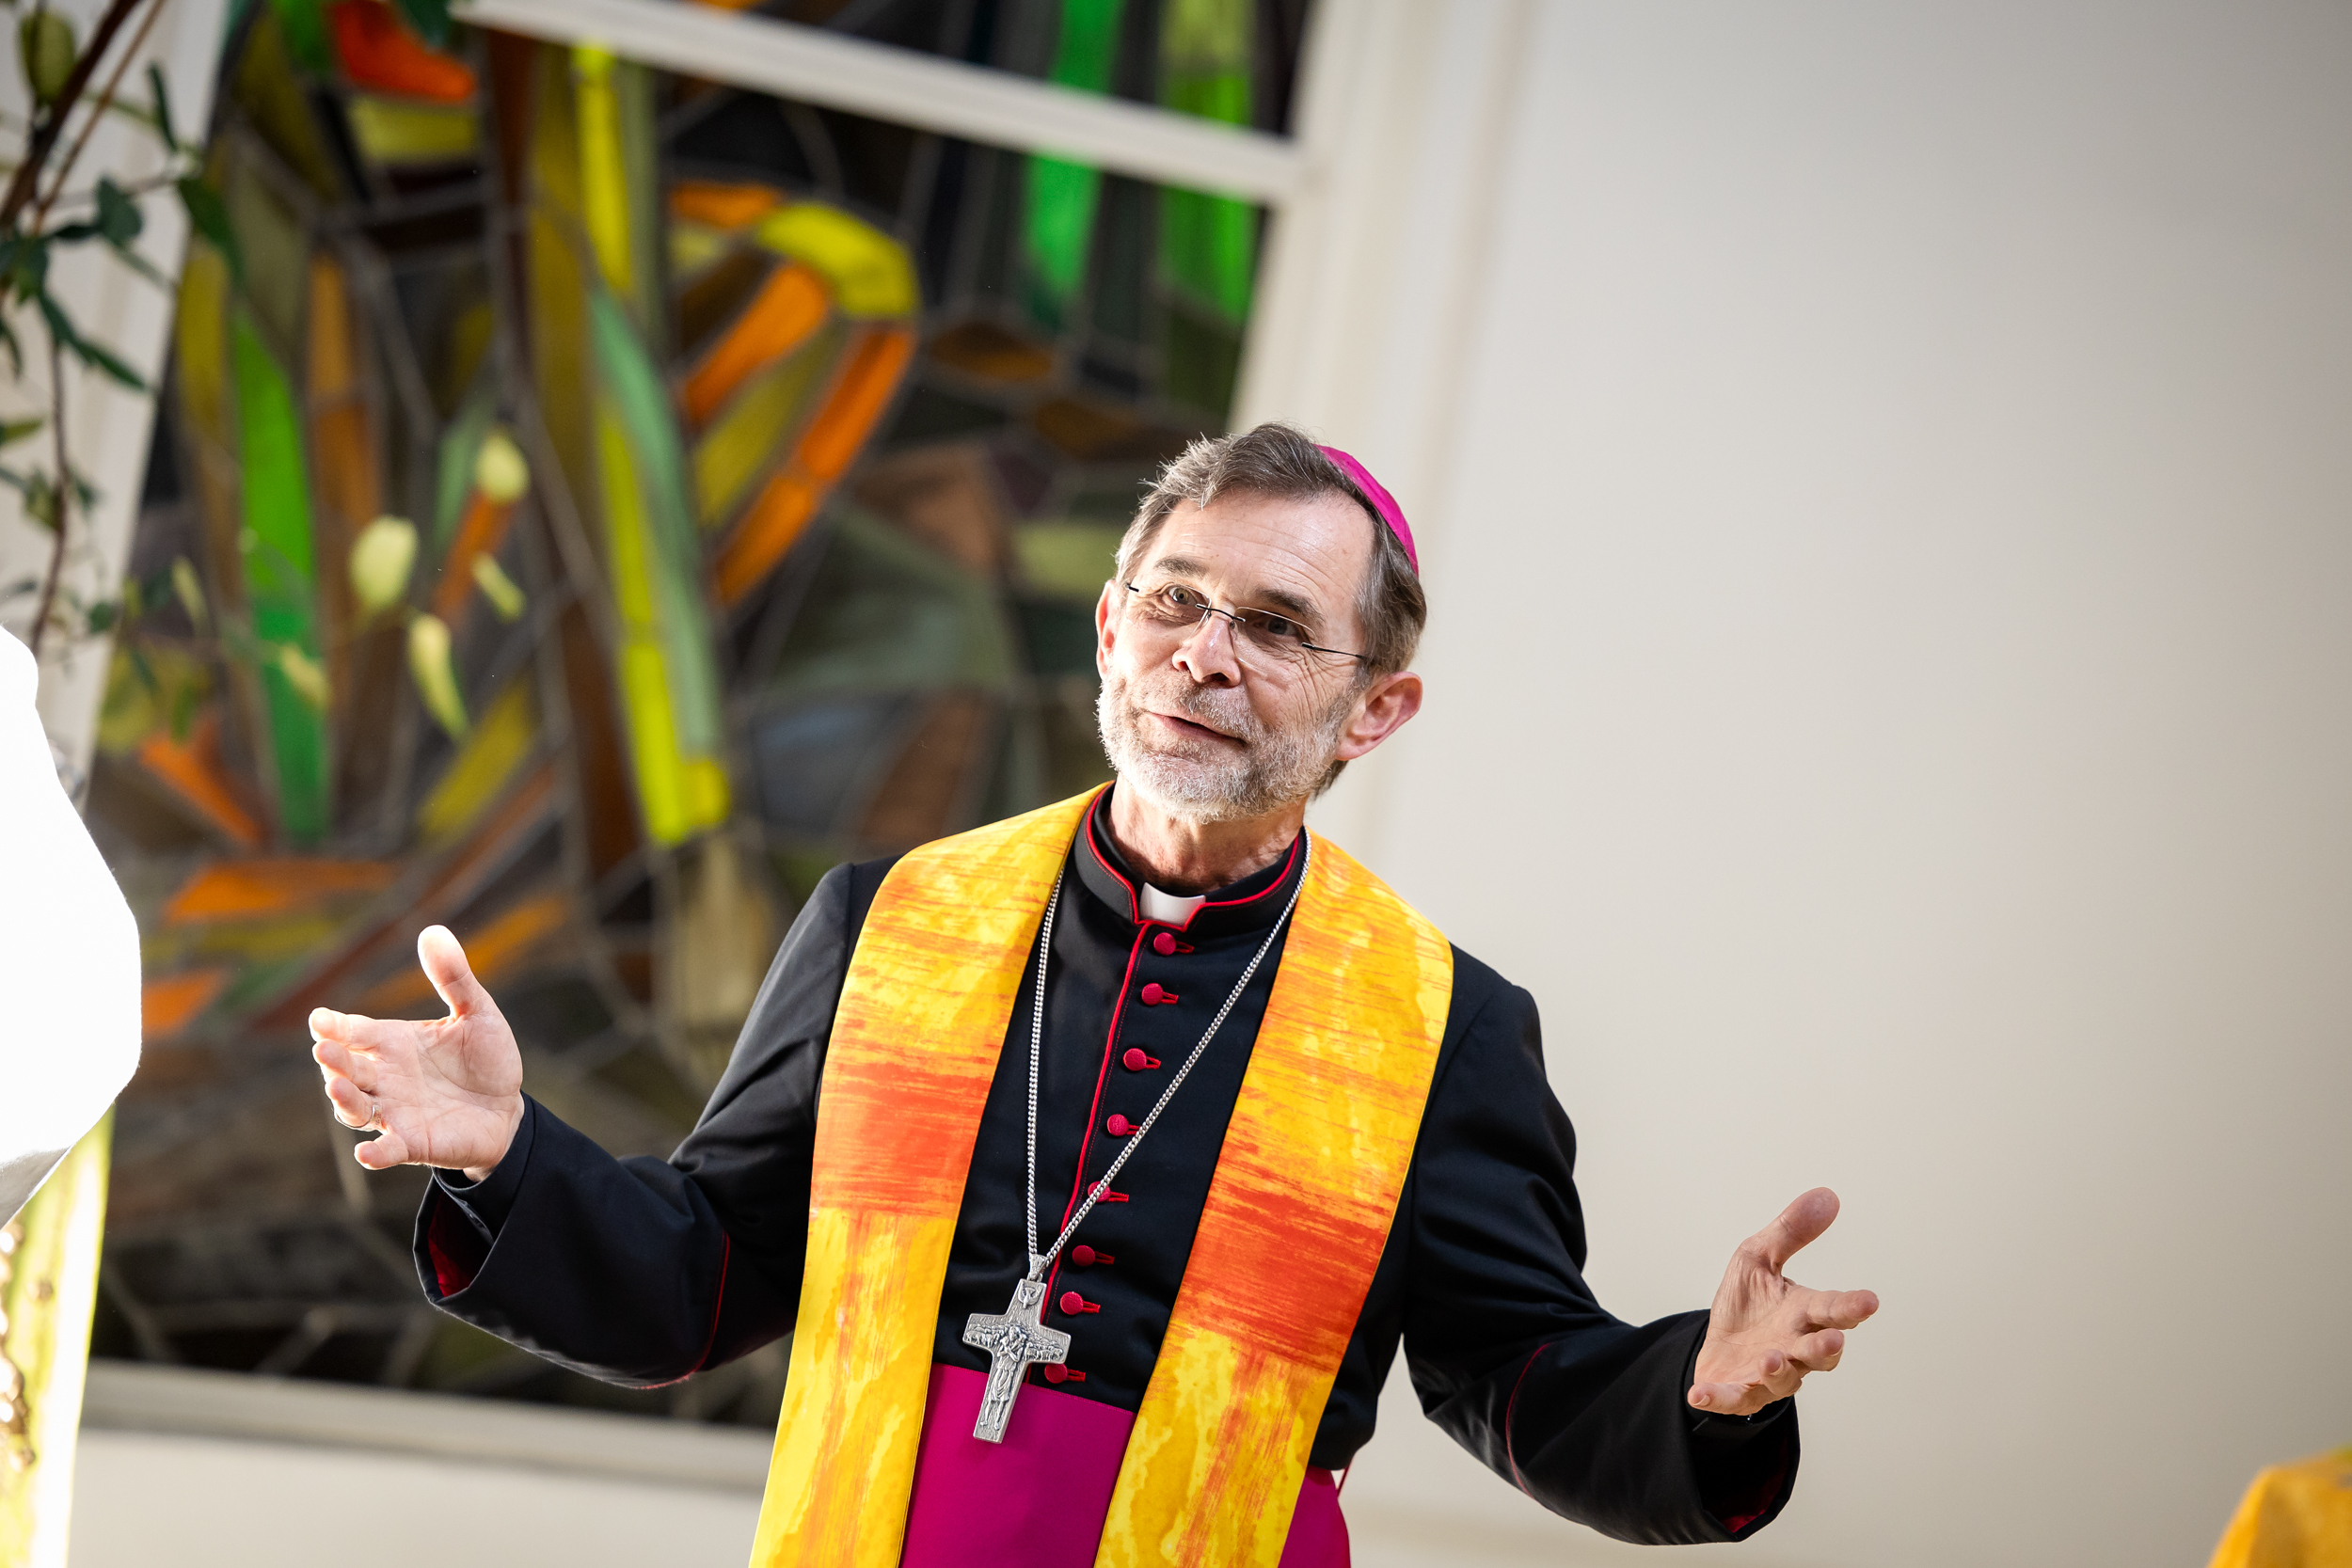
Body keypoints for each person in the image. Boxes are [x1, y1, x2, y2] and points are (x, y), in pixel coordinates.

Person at [310, 424, 1878, 1567]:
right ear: (1114, 627)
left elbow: (1518, 1374)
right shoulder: (887, 923)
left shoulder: (1443, 1029)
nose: (1207, 655)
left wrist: (1701, 1395)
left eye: (1277, 627)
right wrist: (508, 1155)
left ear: (1375, 711)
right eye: (1177, 602)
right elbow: (702, 1280)